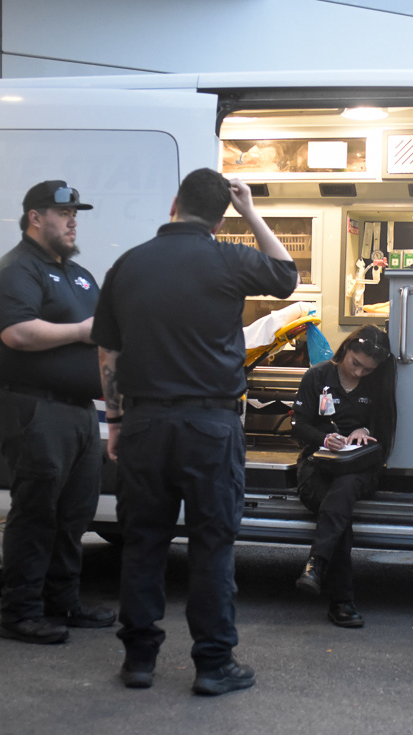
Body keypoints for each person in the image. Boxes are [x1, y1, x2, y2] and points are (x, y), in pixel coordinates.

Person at [92, 168, 298, 694]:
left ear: (173, 203)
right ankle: (212, 665)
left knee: (143, 543)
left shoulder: (128, 264)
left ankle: (138, 660)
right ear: (223, 213)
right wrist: (251, 211)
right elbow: (286, 274)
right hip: (211, 425)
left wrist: (115, 421)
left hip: (143, 422)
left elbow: (108, 352)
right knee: (212, 544)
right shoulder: (228, 258)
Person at [0, 180, 116, 645]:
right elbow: (16, 333)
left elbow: (106, 337)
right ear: (35, 217)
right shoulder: (17, 269)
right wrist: (79, 330)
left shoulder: (78, 274)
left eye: (76, 212)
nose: (73, 219)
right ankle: (20, 613)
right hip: (33, 405)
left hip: (78, 410)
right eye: (64, 213)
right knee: (37, 512)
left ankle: (64, 602)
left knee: (74, 513)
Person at [290, 325, 397, 628]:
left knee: (341, 496)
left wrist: (366, 431)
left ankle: (316, 567)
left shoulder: (377, 386)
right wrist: (325, 440)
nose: (360, 373)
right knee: (338, 510)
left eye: (368, 369)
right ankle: (341, 602)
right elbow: (298, 426)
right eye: (356, 364)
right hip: (319, 464)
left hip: (360, 467)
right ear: (346, 349)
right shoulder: (317, 377)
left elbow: (385, 435)